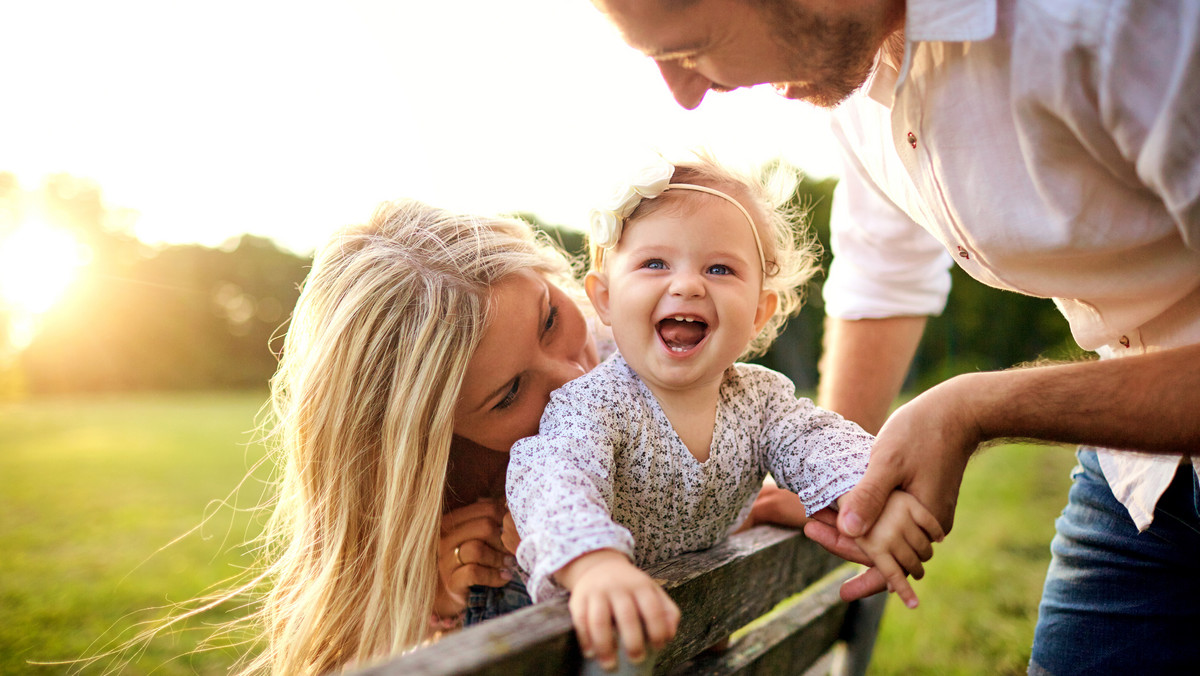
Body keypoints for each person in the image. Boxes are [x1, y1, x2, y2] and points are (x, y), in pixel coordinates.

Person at [588, 0, 1200, 674]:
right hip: (1139, 475)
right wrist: (842, 474)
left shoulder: (1121, 23)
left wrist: (975, 406)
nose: (685, 94)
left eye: (689, 48)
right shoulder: (859, 84)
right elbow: (883, 272)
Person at [246, 196, 823, 674]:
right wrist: (443, 602)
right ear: (432, 442)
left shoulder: (643, 359)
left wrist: (727, 511)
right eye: (507, 395)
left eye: (550, 319)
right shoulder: (451, 524)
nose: (574, 373)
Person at [506, 155, 943, 671]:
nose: (688, 285)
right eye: (654, 264)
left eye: (719, 268)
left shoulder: (761, 402)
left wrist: (865, 494)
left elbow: (820, 441)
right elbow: (552, 478)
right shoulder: (594, 405)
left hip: (698, 629)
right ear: (604, 299)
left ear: (759, 312)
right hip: (597, 639)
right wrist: (594, 564)